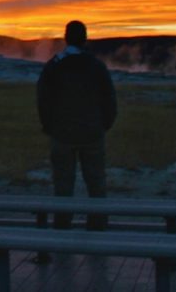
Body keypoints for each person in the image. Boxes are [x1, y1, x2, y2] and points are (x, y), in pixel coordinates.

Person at [35, 20, 117, 230]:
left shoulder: (54, 65)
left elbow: (43, 99)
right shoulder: (96, 66)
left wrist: (49, 126)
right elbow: (109, 99)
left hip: (62, 134)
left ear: (66, 38)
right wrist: (103, 125)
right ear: (85, 39)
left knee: (63, 184)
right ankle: (98, 226)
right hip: (92, 133)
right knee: (96, 182)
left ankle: (62, 227)